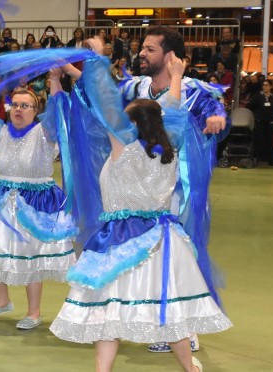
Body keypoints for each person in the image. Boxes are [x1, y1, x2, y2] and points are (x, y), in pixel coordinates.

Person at [49, 38, 231, 372]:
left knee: (109, 309)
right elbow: (174, 113)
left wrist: (98, 58)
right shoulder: (170, 150)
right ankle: (189, 367)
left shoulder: (123, 147)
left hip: (120, 238)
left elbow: (105, 100)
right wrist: (177, 76)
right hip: (163, 238)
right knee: (170, 307)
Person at [117, 26, 228, 353]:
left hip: (179, 187)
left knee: (183, 251)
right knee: (153, 252)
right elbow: (104, 103)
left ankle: (186, 325)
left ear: (170, 56)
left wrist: (218, 118)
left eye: (150, 49)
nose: (141, 54)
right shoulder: (135, 87)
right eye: (142, 48)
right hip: (143, 186)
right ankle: (160, 317)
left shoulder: (194, 91)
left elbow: (215, 110)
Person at [0, 85, 77, 330]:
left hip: (35, 201)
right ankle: (2, 301)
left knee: (30, 256)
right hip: (2, 197)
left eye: (25, 106)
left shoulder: (44, 132)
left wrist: (56, 82)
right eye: (15, 105)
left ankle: (33, 313)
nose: (18, 109)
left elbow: (59, 111)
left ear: (36, 111)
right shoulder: (1, 131)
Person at [248, 80, 273, 166]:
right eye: (263, 85)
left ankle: (271, 159)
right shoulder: (257, 97)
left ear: (270, 87)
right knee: (259, 140)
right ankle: (256, 159)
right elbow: (250, 106)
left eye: (266, 85)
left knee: (270, 141)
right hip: (260, 122)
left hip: (270, 122)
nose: (264, 87)